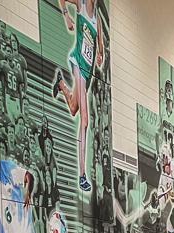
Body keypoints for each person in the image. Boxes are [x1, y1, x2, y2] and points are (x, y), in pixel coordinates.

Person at [53, 0, 105, 193]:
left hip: (88, 72)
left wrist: (100, 55)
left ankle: (61, 84)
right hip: (78, 63)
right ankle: (82, 175)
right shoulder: (81, 4)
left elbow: (101, 45)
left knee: (74, 108)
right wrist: (67, 16)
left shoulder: (98, 19)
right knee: (85, 120)